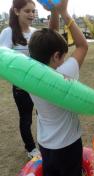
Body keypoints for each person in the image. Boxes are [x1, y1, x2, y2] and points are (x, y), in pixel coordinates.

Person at [28, 0, 88, 175]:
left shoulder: (30, 74)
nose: (64, 60)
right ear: (56, 56)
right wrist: (64, 13)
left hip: (45, 143)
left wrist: (54, 12)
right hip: (68, 145)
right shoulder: (63, 75)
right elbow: (83, 45)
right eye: (62, 57)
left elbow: (49, 38)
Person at [0, 0, 58, 158]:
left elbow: (52, 37)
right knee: (26, 119)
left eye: (34, 11)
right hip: (21, 87)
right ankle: (31, 148)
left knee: (43, 116)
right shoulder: (8, 33)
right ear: (16, 11)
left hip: (39, 86)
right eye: (27, 11)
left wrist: (55, 11)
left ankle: (44, 144)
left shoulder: (35, 32)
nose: (32, 15)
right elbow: (3, 60)